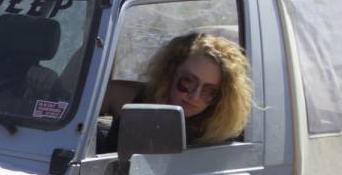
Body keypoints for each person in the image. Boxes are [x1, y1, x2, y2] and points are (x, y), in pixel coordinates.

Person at [104, 31, 253, 146]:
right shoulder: (129, 98)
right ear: (171, 71)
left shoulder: (219, 133)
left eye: (209, 91)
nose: (195, 96)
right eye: (188, 82)